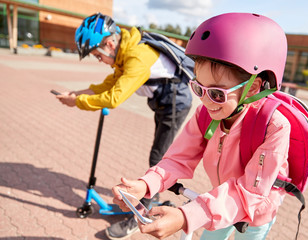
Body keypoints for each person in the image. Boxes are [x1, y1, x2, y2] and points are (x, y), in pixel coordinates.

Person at [111, 12, 290, 240]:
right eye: (198, 88)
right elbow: (177, 158)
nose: (204, 101)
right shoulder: (206, 113)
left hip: (256, 215)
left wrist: (187, 216)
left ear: (253, 88)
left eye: (216, 93)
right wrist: (146, 185)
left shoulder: (274, 127)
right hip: (217, 201)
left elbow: (248, 194)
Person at [54, 13, 192, 240]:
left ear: (109, 43)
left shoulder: (138, 56)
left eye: (98, 56)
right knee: (158, 155)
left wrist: (77, 103)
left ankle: (142, 216)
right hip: (164, 103)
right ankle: (153, 198)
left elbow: (113, 98)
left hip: (175, 105)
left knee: (158, 158)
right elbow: (107, 85)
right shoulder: (125, 52)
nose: (99, 60)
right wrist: (76, 94)